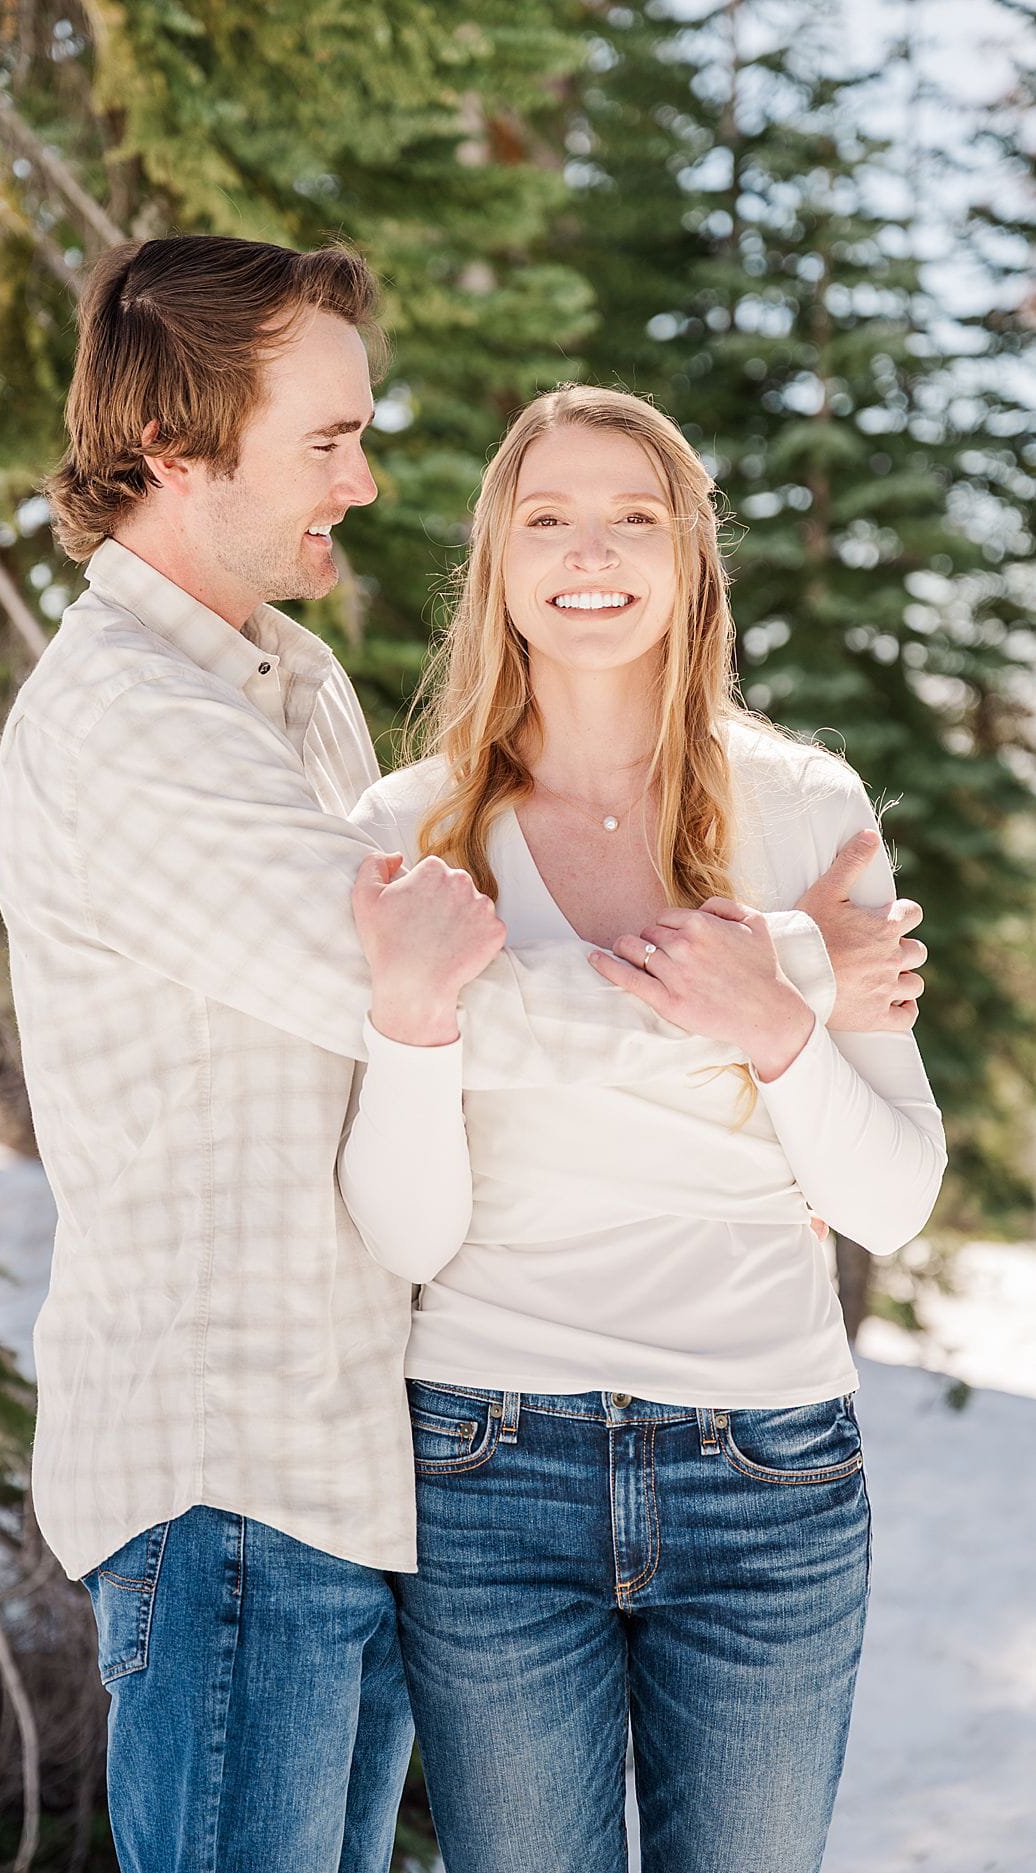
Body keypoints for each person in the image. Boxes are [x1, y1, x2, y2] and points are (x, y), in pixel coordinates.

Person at [0, 232, 925, 1873]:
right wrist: (784, 978)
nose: (358, 482)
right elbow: (432, 1011)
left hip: (358, 1471)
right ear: (175, 449)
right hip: (239, 1476)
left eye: (364, 432)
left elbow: (417, 1041)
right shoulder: (137, 720)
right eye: (328, 439)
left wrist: (782, 1027)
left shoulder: (288, 694)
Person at [339, 384, 941, 1873]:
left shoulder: (805, 806)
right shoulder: (407, 831)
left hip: (770, 1473)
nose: (587, 550)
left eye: (633, 514)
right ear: (496, 561)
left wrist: (777, 1023)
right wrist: (420, 1025)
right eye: (546, 516)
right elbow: (406, 1230)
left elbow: (894, 1197)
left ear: (690, 560)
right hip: (488, 1463)